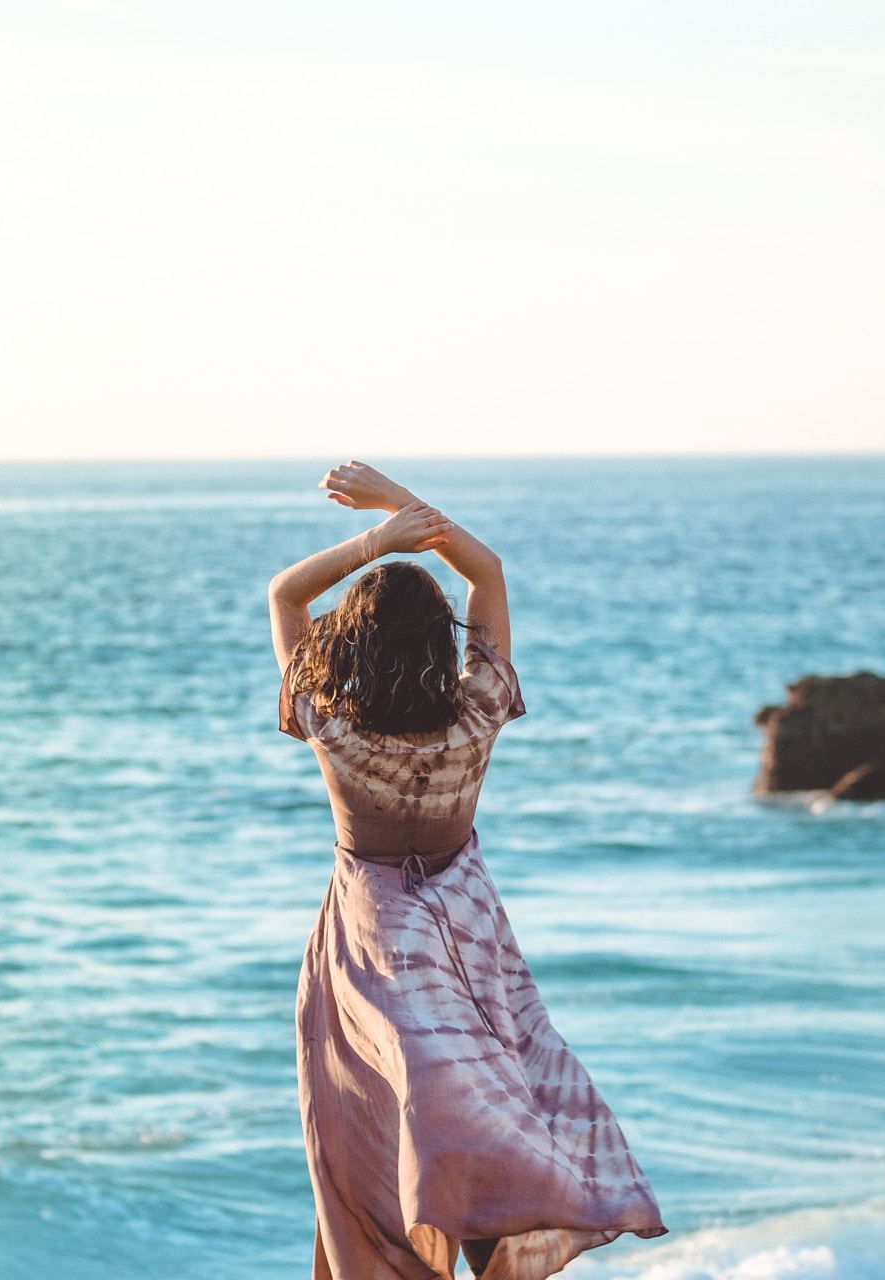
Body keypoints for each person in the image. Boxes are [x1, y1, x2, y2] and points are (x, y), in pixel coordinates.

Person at [268, 461, 668, 1279]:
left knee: (377, 1116)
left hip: (373, 933)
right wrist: (401, 504)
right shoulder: (480, 706)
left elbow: (283, 595)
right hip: (468, 921)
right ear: (437, 637)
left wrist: (376, 539)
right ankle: (493, 1252)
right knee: (486, 1097)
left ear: (353, 640)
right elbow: (488, 571)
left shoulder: (329, 722)